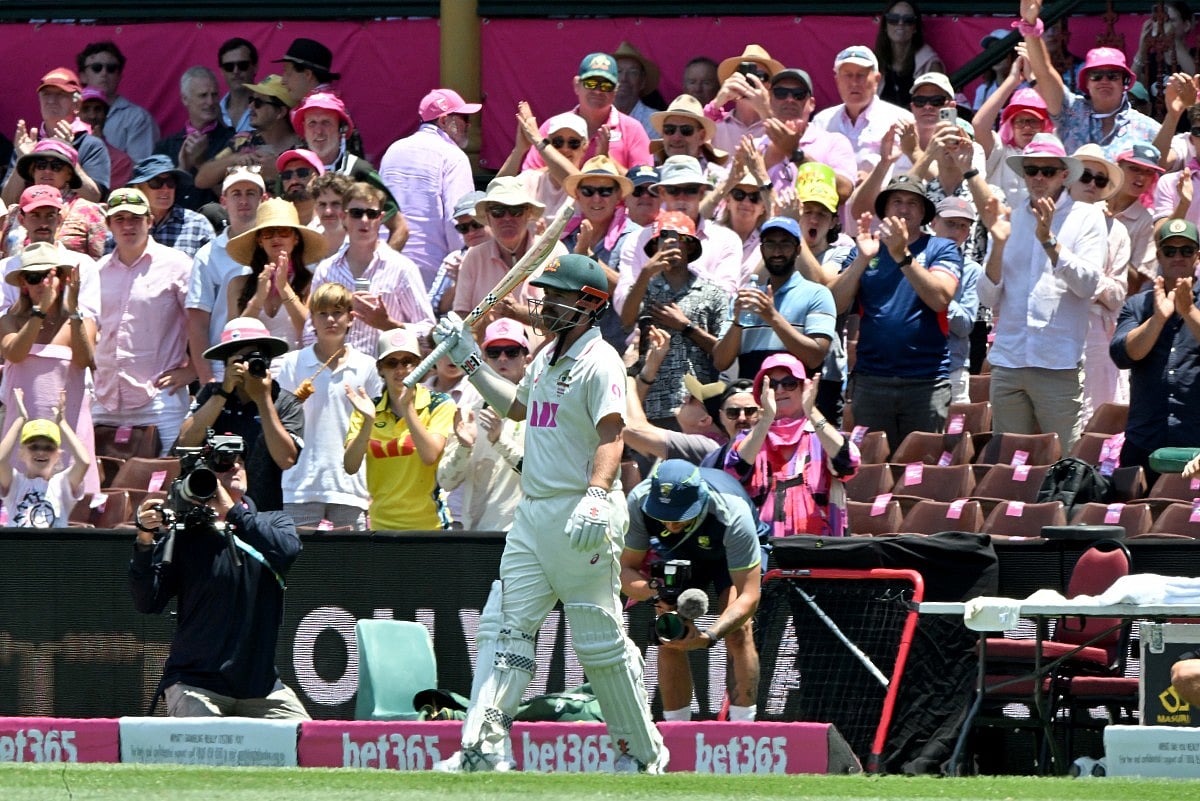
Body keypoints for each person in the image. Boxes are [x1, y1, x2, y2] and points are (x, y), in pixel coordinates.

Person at [431, 253, 667, 773]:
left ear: (588, 304)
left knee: (599, 642)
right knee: (503, 629)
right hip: (533, 515)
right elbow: (517, 407)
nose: (548, 302)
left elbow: (613, 433)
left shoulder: (599, 359)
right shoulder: (547, 355)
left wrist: (598, 493)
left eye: (559, 295)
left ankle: (640, 755)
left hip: (579, 511)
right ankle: (482, 749)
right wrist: (469, 358)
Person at [128, 450, 308, 720]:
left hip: (262, 689)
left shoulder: (273, 522)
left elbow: (287, 551)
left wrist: (233, 513)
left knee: (311, 744)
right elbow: (148, 601)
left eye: (240, 462)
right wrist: (144, 540)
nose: (235, 467)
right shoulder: (187, 533)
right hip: (195, 684)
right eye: (223, 466)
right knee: (207, 744)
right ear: (206, 477)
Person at [979, 133, 1104, 453]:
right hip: (1009, 361)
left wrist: (1050, 242)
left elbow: (1089, 285)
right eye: (1031, 170)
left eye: (1047, 171)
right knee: (1010, 463)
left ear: (1064, 174)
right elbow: (987, 298)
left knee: (1061, 463)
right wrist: (998, 247)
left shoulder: (1086, 217)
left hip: (1057, 363)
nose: (1038, 177)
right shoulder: (1007, 219)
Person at [621, 459, 762, 721]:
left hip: (728, 556)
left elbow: (749, 595)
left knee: (739, 631)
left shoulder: (732, 512)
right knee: (668, 633)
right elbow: (624, 572)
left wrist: (709, 636)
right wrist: (658, 593)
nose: (671, 524)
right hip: (677, 556)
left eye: (680, 514)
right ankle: (677, 735)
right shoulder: (638, 502)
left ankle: (744, 732)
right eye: (663, 515)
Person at [832, 175, 962, 448]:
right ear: (884, 209)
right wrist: (862, 261)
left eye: (913, 203)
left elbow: (940, 298)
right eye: (897, 201)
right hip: (871, 381)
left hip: (926, 382)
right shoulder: (866, 247)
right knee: (870, 473)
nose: (904, 209)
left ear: (924, 211)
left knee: (921, 474)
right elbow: (835, 303)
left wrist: (902, 255)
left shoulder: (941, 247)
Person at [92, 188, 194, 455]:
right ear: (109, 225)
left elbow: (201, 321)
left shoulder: (178, 265)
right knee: (103, 488)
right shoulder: (96, 271)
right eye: (120, 218)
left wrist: (194, 369)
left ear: (149, 220)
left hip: (159, 399)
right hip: (105, 398)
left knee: (165, 484)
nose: (128, 225)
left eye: (135, 218)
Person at [718, 352, 859, 537]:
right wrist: (767, 417)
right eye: (772, 385)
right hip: (763, 549)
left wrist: (812, 411)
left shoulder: (821, 435)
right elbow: (734, 470)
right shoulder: (748, 438)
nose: (780, 391)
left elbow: (848, 463)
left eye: (790, 383)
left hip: (820, 548)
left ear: (803, 388)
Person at [276, 283, 379, 530]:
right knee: (298, 564)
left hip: (350, 487)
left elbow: (373, 431)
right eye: (322, 313)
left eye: (337, 312)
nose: (330, 319)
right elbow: (279, 422)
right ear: (312, 318)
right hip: (299, 485)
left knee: (349, 564)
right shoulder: (292, 362)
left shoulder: (367, 366)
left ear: (351, 318)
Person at [0, 242, 100, 496]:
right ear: (23, 284)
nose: (42, 283)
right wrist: (39, 312)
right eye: (34, 277)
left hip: (69, 431)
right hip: (22, 434)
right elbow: (15, 352)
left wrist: (74, 310)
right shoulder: (9, 320)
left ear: (63, 278)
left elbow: (85, 359)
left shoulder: (79, 321)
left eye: (48, 275)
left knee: (74, 519)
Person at [178, 317, 304, 512]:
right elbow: (186, 441)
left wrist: (263, 400)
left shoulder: (285, 402)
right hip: (211, 508)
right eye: (239, 359)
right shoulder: (211, 394)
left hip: (264, 512)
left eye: (254, 358)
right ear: (227, 364)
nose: (247, 366)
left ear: (267, 362)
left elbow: (286, 460)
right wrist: (223, 391)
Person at [620, 212, 730, 430]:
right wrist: (645, 273)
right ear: (655, 246)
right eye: (665, 238)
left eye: (680, 239)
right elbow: (626, 320)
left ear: (690, 246)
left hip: (698, 408)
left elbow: (722, 354)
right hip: (650, 403)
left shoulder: (713, 293)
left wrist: (686, 327)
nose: (672, 245)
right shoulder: (645, 288)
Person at [1110, 218, 1200, 476]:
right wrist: (1158, 318)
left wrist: (1189, 311)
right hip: (1144, 443)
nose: (1178, 257)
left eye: (1186, 250)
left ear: (1197, 256)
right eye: (1170, 250)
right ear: (1159, 255)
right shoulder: (1138, 305)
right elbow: (1123, 355)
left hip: (1195, 446)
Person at [344, 328, 455, 531]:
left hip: (431, 527)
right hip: (381, 528)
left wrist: (408, 408)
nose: (401, 369)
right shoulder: (368, 409)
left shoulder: (439, 403)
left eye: (408, 361)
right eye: (391, 363)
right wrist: (368, 422)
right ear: (380, 369)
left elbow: (430, 455)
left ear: (419, 365)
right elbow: (350, 466)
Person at [304, 182, 434, 354]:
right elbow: (309, 333)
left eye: (371, 214)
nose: (364, 220)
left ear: (380, 218)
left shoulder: (402, 268)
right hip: (336, 373)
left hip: (387, 374)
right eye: (357, 213)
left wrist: (388, 324)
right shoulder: (326, 270)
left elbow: (429, 334)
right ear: (343, 217)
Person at [1020, 0, 1160, 159]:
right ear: (1086, 82)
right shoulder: (1071, 110)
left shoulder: (1148, 128)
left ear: (1125, 82)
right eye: (1096, 76)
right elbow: (1045, 72)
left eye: (1112, 75)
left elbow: (1168, 161)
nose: (1104, 80)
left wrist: (1173, 116)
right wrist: (1030, 25)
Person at [379, 88, 482, 287]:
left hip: (387, 264)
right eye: (463, 117)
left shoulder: (393, 150)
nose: (468, 124)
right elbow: (458, 218)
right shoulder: (453, 156)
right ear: (444, 120)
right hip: (432, 273)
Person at [715, 215, 836, 382]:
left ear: (798, 250)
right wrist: (737, 321)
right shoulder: (746, 298)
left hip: (795, 399)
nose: (777, 252)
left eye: (785, 243)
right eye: (770, 244)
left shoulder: (817, 294)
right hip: (751, 402)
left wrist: (772, 317)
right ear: (762, 250)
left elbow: (815, 357)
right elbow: (721, 362)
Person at [436, 318, 529, 532]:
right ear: (483, 360)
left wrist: (500, 441)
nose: (502, 358)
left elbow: (541, 474)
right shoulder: (468, 412)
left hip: (524, 536)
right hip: (477, 537)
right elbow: (445, 481)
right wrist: (463, 447)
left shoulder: (538, 411)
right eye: (494, 352)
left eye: (512, 351)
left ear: (527, 358)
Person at [186, 166, 266, 385]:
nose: (243, 200)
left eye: (251, 193)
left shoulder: (277, 246)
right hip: (222, 370)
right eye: (236, 194)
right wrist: (207, 379)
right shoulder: (207, 255)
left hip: (273, 366)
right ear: (223, 201)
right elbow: (198, 323)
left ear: (264, 199)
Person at [1069, 145, 1130, 418]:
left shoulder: (1117, 231)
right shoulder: (1051, 220)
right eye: (1085, 175)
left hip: (1095, 330)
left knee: (1093, 417)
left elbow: (1117, 294)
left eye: (1100, 179)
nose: (1092, 183)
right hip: (1052, 327)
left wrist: (1088, 281)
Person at [520, 52, 652, 173]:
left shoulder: (633, 129)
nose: (598, 91)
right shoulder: (552, 126)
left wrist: (606, 161)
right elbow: (527, 178)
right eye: (591, 83)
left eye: (606, 86)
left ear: (615, 91)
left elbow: (643, 186)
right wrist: (565, 166)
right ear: (576, 85)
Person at [226, 198, 327, 351]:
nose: (276, 238)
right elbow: (234, 340)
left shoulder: (311, 282)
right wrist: (258, 299)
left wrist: (284, 288)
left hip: (297, 369)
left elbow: (312, 333)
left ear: (296, 238)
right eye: (268, 232)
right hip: (252, 369)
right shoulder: (238, 284)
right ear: (260, 240)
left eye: (284, 231)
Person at [3, 67, 109, 205]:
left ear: (77, 104)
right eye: (46, 94)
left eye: (61, 94)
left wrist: (68, 155)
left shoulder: (91, 145)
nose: (52, 100)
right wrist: (22, 160)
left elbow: (95, 198)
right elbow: (6, 202)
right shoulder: (28, 144)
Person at [4, 139, 107, 260]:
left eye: (56, 166)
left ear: (69, 174)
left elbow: (98, 263)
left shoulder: (90, 211)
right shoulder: (15, 212)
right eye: (41, 165)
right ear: (33, 171)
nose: (47, 170)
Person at [0, 388, 89, 528]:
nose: (41, 452)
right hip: (20, 549)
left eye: (49, 448)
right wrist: (20, 419)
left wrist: (62, 423)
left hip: (53, 549)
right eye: (34, 447)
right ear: (22, 453)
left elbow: (84, 462)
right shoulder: (16, 483)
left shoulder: (62, 484)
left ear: (58, 455)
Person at [153, 66, 234, 210]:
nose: (210, 102)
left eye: (214, 95)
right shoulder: (166, 146)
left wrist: (201, 163)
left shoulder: (233, 142)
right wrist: (182, 169)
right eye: (203, 95)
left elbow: (234, 197)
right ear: (185, 99)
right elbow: (154, 198)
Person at [929, 197, 982, 405]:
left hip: (953, 369)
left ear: (968, 234)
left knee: (952, 437)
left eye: (963, 226)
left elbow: (965, 326)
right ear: (933, 223)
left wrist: (938, 293)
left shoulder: (971, 271)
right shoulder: (915, 262)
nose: (956, 231)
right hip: (912, 367)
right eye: (950, 223)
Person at [76, 41, 159, 163]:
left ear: (119, 76)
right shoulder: (69, 115)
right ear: (82, 76)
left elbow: (141, 171)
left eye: (111, 68)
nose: (104, 73)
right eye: (97, 68)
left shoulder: (137, 118)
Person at [127, 155, 216, 258]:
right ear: (138, 188)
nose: (165, 189)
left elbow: (213, 268)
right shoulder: (124, 224)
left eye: (170, 182)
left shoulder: (197, 224)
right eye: (156, 182)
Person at [706, 44, 783, 157]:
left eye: (760, 76)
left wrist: (766, 112)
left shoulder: (782, 124)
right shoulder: (715, 125)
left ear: (770, 87)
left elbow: (788, 148)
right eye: (744, 74)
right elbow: (693, 136)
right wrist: (717, 103)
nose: (750, 81)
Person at [428, 190, 490, 317]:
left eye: (476, 224)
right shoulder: (454, 259)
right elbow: (435, 310)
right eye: (463, 228)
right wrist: (459, 281)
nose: (471, 232)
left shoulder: (506, 254)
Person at [874, 0, 945, 107]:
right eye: (893, 19)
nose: (900, 23)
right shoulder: (874, 62)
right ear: (885, 25)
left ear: (915, 28)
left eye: (908, 20)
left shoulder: (929, 64)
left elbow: (937, 106)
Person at [614, 41, 662, 137]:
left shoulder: (654, 121)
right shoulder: (596, 116)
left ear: (642, 82)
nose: (624, 78)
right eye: (619, 71)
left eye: (633, 72)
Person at [217, 37, 259, 134]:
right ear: (222, 71)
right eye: (229, 67)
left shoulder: (268, 109)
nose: (236, 71)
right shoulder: (213, 112)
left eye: (242, 65)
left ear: (255, 67)